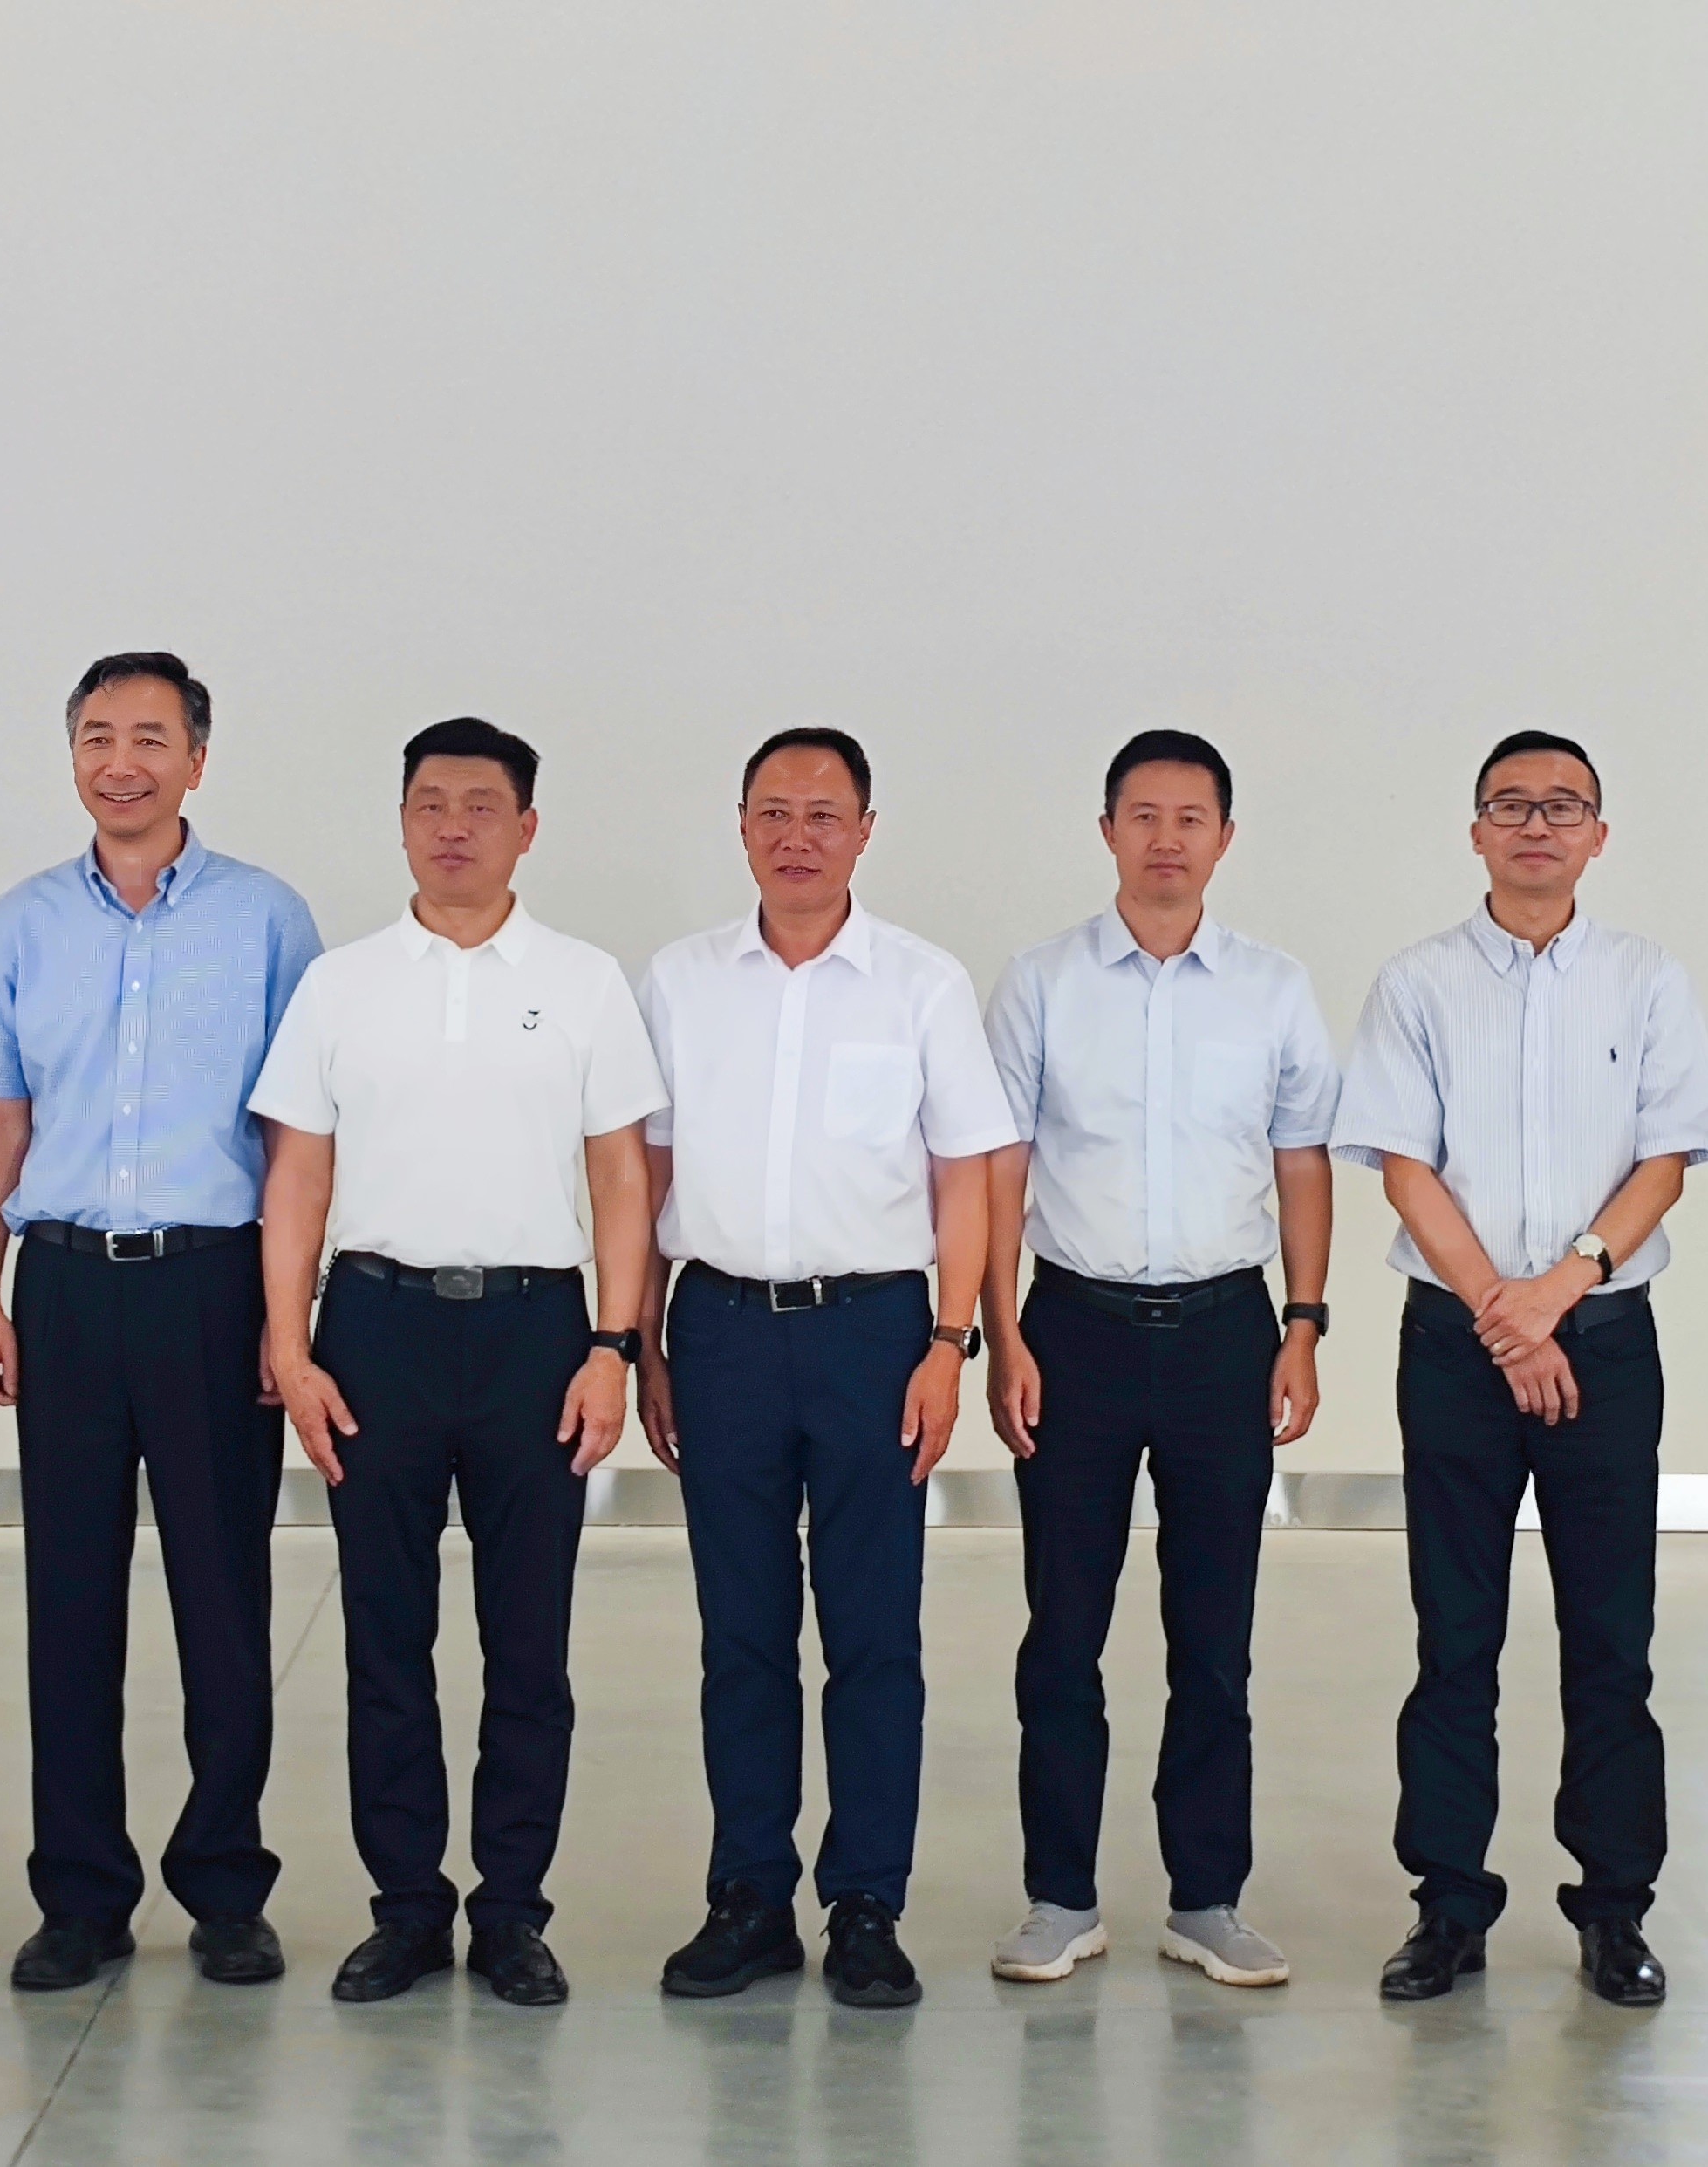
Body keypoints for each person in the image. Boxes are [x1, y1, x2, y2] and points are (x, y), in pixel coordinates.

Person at [255, 715, 664, 2008]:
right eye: (430, 803)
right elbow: (297, 1175)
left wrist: (613, 1345)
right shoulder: (341, 984)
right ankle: (406, 1908)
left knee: (527, 1643)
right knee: (386, 1637)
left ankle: (512, 1912)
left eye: (481, 806)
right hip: (376, 1330)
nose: (453, 827)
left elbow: (622, 1176)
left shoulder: (585, 982)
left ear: (526, 829)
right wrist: (290, 1344)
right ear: (401, 822)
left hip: (536, 1335)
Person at [0, 653, 323, 1992]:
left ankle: (225, 1884)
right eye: (98, 736)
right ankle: (81, 1892)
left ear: (196, 761)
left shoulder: (269, 921)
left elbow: (298, 1139)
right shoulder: (21, 925)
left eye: (151, 737)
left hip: (212, 1286)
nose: (123, 761)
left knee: (224, 1595)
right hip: (64, 1289)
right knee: (69, 1597)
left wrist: (285, 1320)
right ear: (73, 758)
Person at [634, 726, 1012, 2010]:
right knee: (740, 1632)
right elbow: (647, 1173)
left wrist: (949, 1345)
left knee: (873, 1632)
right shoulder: (681, 981)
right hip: (722, 1330)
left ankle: (865, 1903)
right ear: (741, 825)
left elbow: (966, 1177)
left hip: (873, 1336)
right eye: (774, 813)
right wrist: (645, 1342)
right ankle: (748, 1895)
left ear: (864, 831)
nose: (797, 837)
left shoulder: (920, 983)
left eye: (823, 815)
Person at [1335, 730, 1708, 2009]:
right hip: (1456, 1347)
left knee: (1611, 1637)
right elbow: (1403, 1164)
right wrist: (1504, 1316)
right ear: (1476, 831)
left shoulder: (1648, 981)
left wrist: (1558, 1291)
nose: (1536, 825)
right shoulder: (1419, 983)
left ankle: (1614, 1909)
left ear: (1598, 835)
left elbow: (1666, 1161)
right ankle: (1449, 1905)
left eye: (1563, 807)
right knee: (1456, 1634)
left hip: (1602, 1340)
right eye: (1512, 805)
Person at [978, 730, 1337, 1992]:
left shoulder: (1274, 989)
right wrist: (1002, 1333)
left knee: (1215, 1633)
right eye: (1143, 815)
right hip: (1071, 1330)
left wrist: (1304, 1323)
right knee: (1062, 1631)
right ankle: (1059, 1898)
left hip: (1227, 1333)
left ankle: (1208, 1898)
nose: (1167, 838)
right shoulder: (1042, 981)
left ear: (1225, 838)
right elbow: (999, 1168)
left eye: (1191, 818)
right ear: (1108, 831)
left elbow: (1301, 1160)